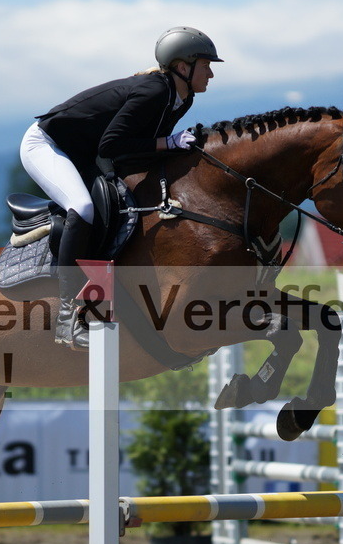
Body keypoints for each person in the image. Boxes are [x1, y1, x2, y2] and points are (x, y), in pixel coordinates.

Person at [20, 26, 222, 350]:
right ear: (183, 67)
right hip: (47, 145)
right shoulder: (155, 91)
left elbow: (134, 152)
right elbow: (113, 145)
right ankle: (65, 316)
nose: (211, 73)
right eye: (206, 64)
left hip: (84, 153)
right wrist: (168, 142)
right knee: (82, 208)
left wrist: (172, 148)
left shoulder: (182, 98)